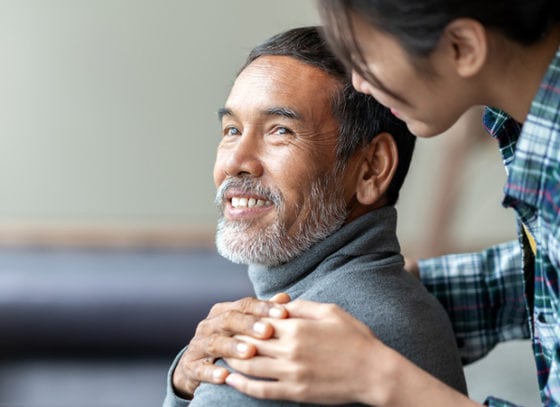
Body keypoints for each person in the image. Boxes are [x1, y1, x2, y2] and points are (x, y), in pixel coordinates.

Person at [178, 2, 560, 406]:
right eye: (231, 129)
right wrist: (393, 299)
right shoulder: (525, 128)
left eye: (366, 55)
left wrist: (379, 374)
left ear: (462, 46)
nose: (359, 81)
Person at [162, 26, 467, 406]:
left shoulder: (273, 361)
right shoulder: (410, 302)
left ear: (372, 168)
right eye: (232, 130)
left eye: (280, 131)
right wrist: (183, 385)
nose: (236, 163)